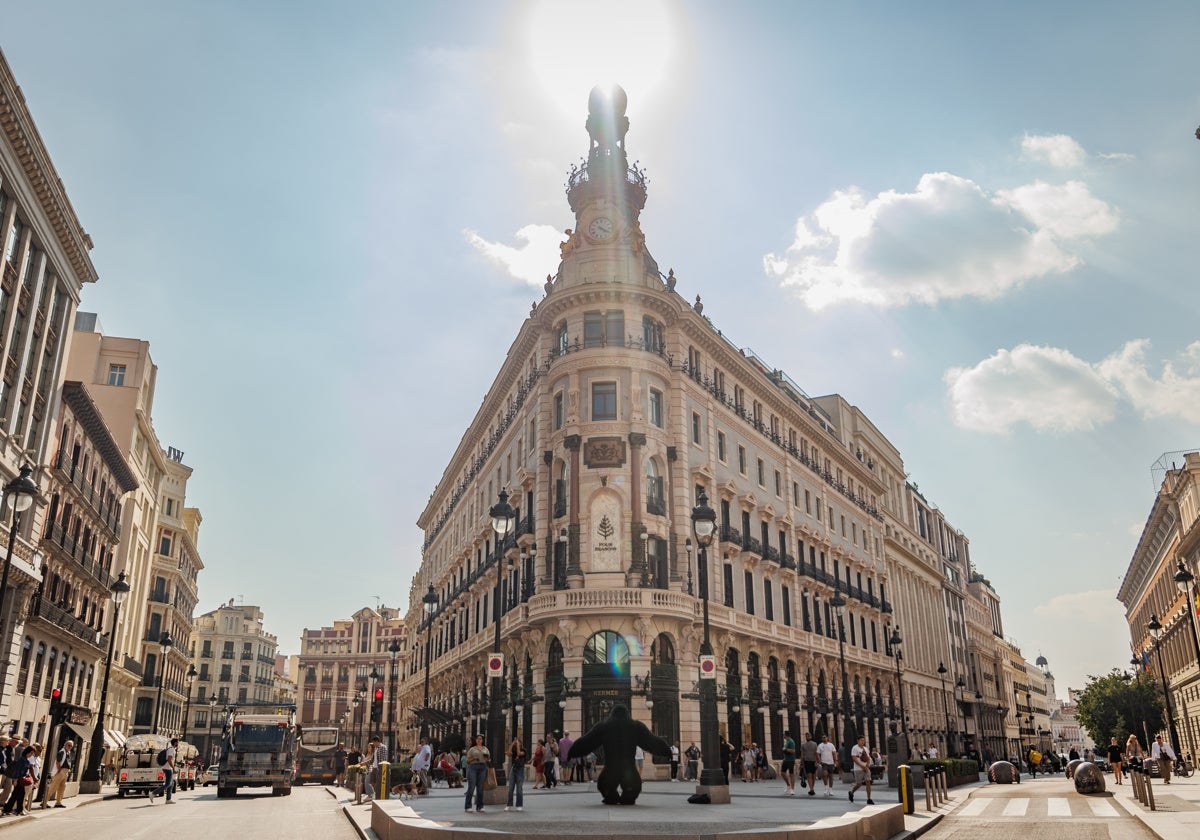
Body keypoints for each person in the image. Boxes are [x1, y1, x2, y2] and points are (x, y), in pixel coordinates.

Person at [2, 745, 35, 816]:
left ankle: (17, 810)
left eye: (32, 753)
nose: (31, 755)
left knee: (20, 795)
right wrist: (15, 780)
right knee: (15, 795)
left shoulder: (25, 759)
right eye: (31, 753)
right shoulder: (22, 759)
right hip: (19, 779)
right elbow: (17, 770)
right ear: (27, 752)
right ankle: (7, 810)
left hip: (22, 780)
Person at [41, 740, 74, 808]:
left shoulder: (68, 752)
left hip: (65, 771)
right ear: (65, 745)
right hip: (61, 771)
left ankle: (58, 802)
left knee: (62, 787)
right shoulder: (62, 752)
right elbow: (58, 762)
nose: (70, 747)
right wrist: (59, 770)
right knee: (53, 786)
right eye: (68, 745)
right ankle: (44, 801)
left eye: (71, 746)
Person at [463, 734, 490, 813]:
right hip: (473, 767)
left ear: (482, 740)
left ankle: (480, 806)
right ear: (476, 740)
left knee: (480, 788)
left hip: (483, 767)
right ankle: (468, 806)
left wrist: (487, 759)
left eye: (480, 739)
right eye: (477, 739)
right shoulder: (472, 749)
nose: (479, 740)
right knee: (471, 787)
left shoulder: (485, 749)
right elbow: (467, 761)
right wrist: (474, 758)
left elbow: (488, 759)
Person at [149, 738, 177, 804]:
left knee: (171, 784)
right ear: (175, 743)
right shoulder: (171, 750)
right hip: (168, 768)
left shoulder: (171, 749)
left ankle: (168, 799)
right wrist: (173, 768)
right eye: (177, 742)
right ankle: (153, 793)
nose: (178, 744)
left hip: (167, 768)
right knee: (168, 784)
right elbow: (169, 760)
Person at [849, 735, 874, 805]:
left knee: (868, 782)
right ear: (858, 741)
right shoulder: (855, 748)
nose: (863, 742)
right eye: (861, 740)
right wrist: (862, 766)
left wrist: (867, 765)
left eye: (863, 740)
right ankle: (851, 792)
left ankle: (869, 798)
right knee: (859, 784)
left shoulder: (866, 749)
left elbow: (868, 758)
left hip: (866, 768)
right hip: (858, 769)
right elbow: (854, 758)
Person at [505, 736, 526, 811]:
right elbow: (508, 753)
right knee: (510, 788)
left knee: (519, 789)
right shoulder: (513, 750)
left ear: (521, 744)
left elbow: (519, 753)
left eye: (518, 742)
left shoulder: (524, 750)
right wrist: (512, 744)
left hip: (520, 769)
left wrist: (517, 745)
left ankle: (519, 805)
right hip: (513, 769)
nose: (517, 743)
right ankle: (509, 804)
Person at [366, 735, 388, 801]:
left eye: (373, 743)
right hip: (374, 767)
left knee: (377, 782)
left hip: (379, 768)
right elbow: (373, 759)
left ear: (376, 741)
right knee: (372, 782)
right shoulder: (376, 748)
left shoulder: (383, 747)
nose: (373, 744)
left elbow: (384, 759)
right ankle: (376, 793)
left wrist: (381, 768)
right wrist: (366, 763)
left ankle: (377, 794)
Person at [801, 732, 819, 796]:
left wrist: (817, 761)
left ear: (811, 737)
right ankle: (811, 789)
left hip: (813, 761)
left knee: (813, 776)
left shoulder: (815, 744)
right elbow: (802, 754)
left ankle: (812, 788)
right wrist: (802, 763)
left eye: (808, 736)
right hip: (807, 761)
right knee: (809, 775)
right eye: (806, 736)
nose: (807, 737)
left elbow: (816, 753)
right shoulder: (803, 745)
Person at [780, 731, 797, 795]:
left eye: (784, 735)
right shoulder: (786, 741)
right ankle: (788, 785)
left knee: (791, 774)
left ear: (786, 735)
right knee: (782, 773)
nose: (783, 736)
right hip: (785, 759)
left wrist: (785, 749)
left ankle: (792, 789)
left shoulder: (791, 741)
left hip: (791, 760)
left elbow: (793, 751)